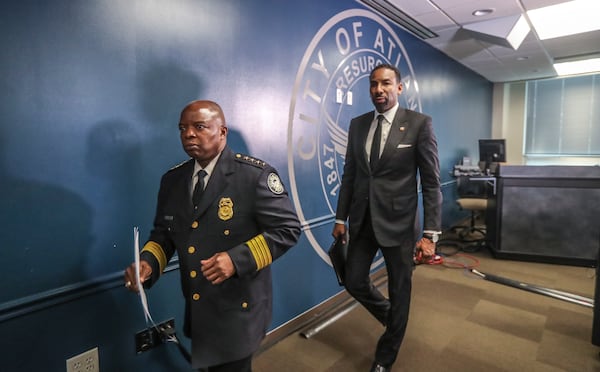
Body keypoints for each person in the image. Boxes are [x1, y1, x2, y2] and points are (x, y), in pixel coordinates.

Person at [124, 100, 301, 372]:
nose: (189, 134)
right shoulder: (172, 181)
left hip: (238, 308)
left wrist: (236, 259)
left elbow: (287, 230)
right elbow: (163, 235)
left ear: (222, 131)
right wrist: (149, 263)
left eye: (199, 126)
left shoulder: (254, 175)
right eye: (183, 128)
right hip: (198, 306)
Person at [332, 64, 442, 372]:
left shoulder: (419, 124)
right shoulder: (358, 125)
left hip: (401, 225)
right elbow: (350, 175)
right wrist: (341, 218)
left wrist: (431, 234)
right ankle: (392, 319)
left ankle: (385, 356)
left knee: (400, 290)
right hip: (362, 220)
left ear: (399, 87)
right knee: (353, 280)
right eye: (373, 85)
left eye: (385, 83)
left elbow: (432, 183)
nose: (378, 90)